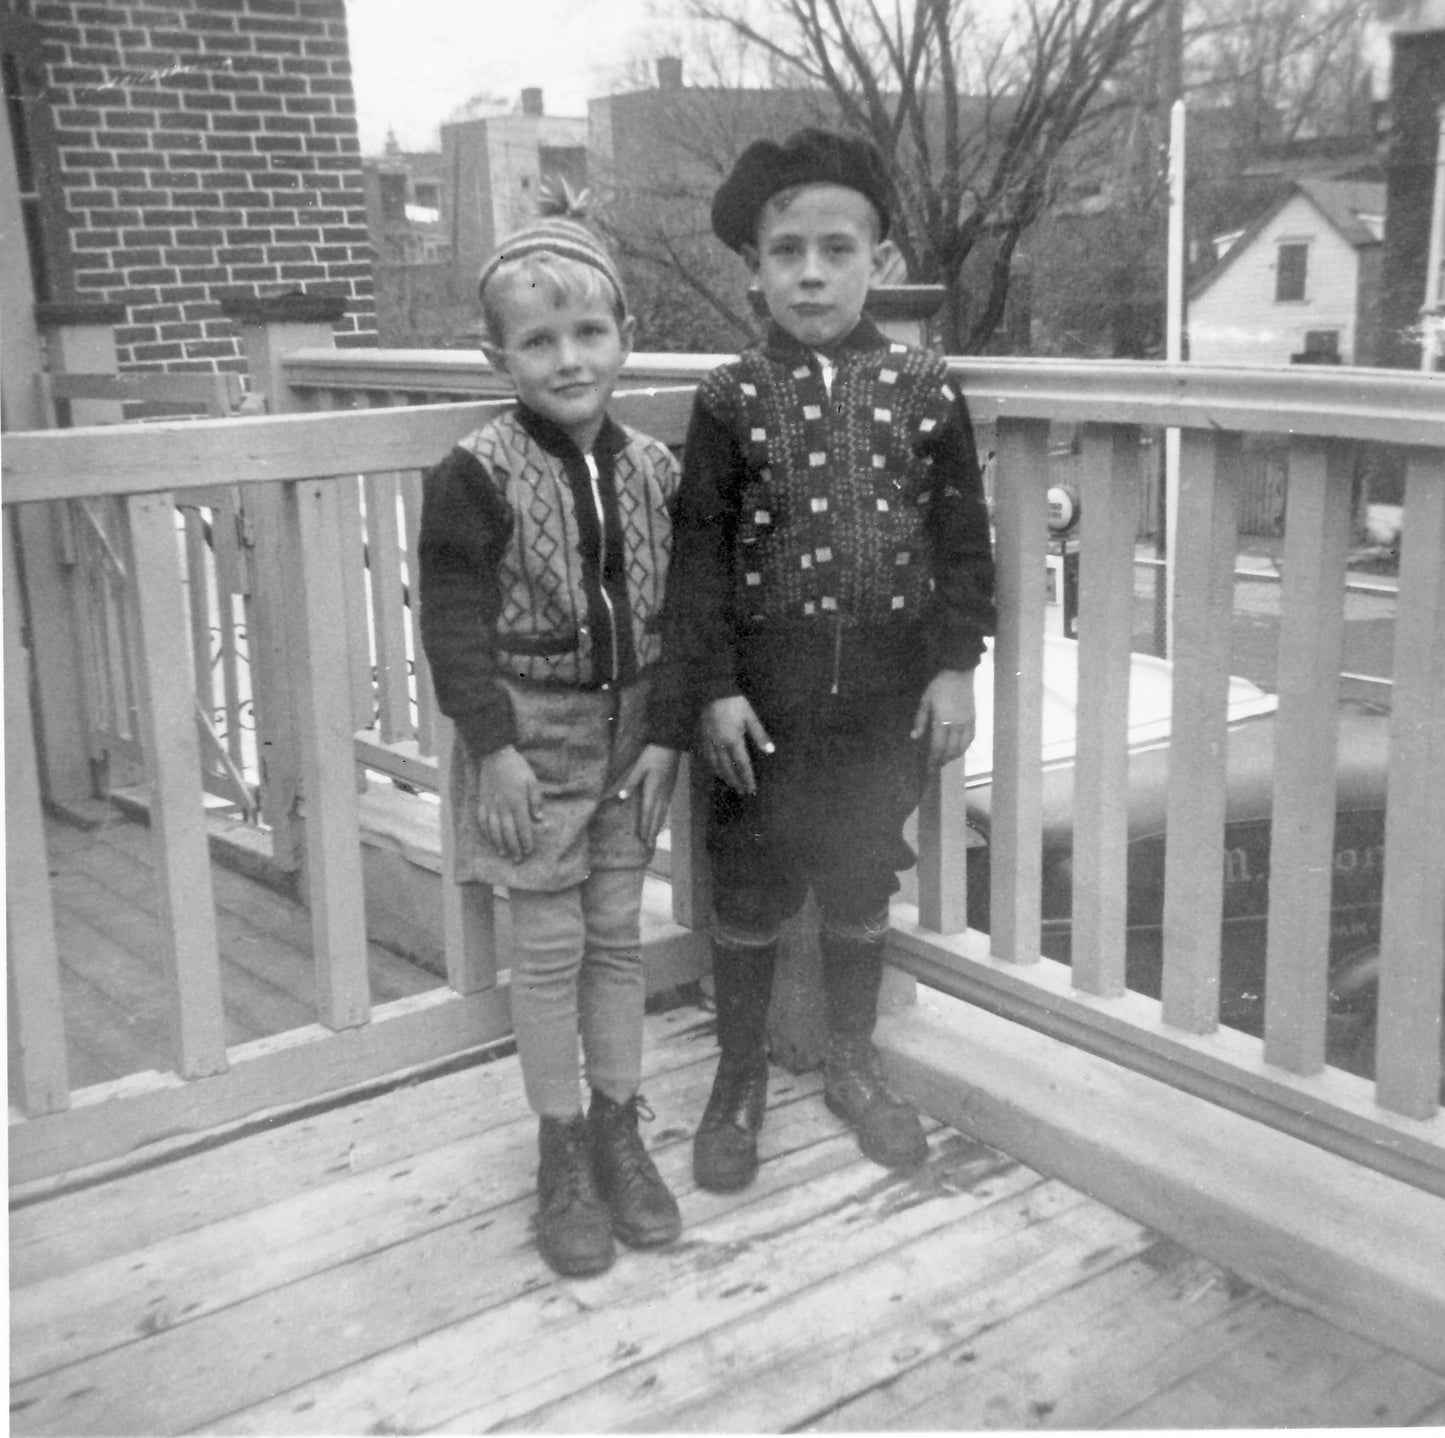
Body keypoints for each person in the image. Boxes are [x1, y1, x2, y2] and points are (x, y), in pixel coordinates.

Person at [646, 129, 997, 1192]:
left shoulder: (926, 391)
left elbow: (962, 544)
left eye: (835, 249)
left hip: (886, 692)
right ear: (752, 268)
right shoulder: (729, 397)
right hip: (761, 699)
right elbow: (697, 558)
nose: (810, 272)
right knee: (749, 885)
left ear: (877, 262)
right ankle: (738, 1074)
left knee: (856, 874)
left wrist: (952, 666)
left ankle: (851, 1062)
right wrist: (710, 689)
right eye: (786, 250)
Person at [418, 190, 683, 1277]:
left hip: (629, 735)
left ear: (623, 337)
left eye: (589, 333)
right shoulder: (475, 473)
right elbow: (451, 622)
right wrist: (494, 747)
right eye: (538, 340)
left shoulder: (656, 470)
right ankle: (560, 1142)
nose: (568, 359)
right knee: (547, 947)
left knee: (616, 931)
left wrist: (665, 731)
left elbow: (686, 612)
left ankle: (620, 1124)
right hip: (528, 736)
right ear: (498, 355)